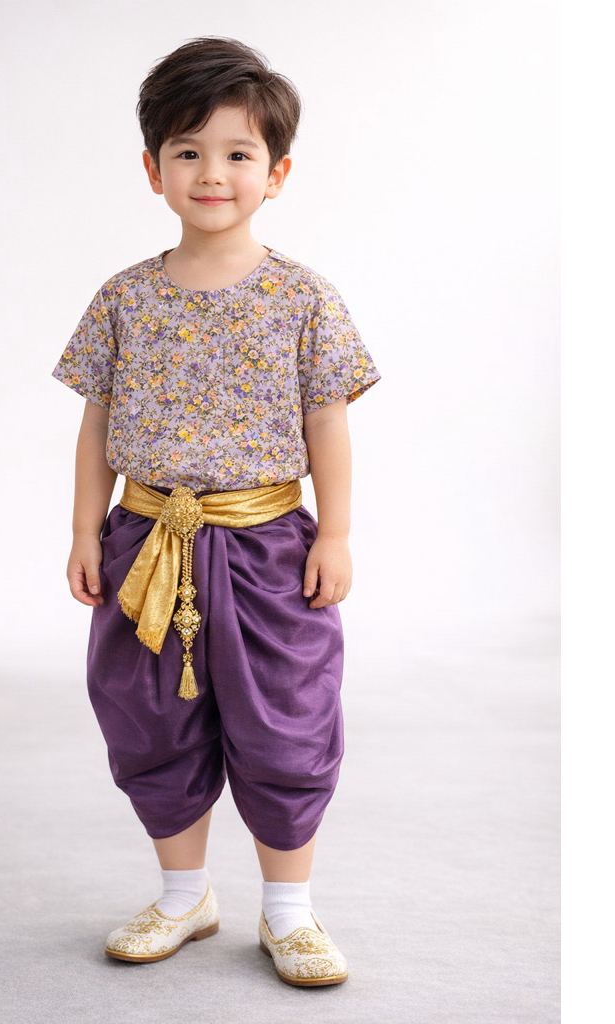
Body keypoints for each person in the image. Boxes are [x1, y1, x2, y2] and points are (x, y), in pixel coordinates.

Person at [52, 36, 380, 987]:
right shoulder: (124, 298)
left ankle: (291, 912)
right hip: (145, 544)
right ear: (152, 167)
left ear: (276, 173)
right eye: (188, 150)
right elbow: (96, 422)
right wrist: (84, 531)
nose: (211, 173)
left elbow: (328, 422)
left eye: (239, 153)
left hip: (269, 548)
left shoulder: (304, 299)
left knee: (287, 723)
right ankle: (183, 895)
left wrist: (337, 534)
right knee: (150, 719)